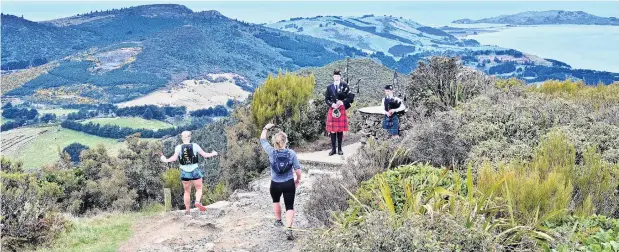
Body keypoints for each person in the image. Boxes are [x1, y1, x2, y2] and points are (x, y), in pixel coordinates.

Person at [158, 131, 218, 215]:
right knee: (199, 188)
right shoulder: (195, 146)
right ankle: (197, 201)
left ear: (182, 138)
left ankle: (187, 210)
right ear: (190, 137)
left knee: (187, 191)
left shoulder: (178, 147)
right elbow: (205, 155)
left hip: (184, 172)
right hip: (195, 170)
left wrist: (164, 159)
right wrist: (214, 153)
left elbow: (174, 159)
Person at [260, 123, 302, 240]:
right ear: (285, 141)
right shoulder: (291, 153)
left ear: (275, 142)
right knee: (289, 206)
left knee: (276, 201)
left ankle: (279, 221)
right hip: (289, 183)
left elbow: (262, 139)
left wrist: (266, 127)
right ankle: (289, 228)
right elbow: (298, 170)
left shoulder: (271, 152)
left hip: (275, 184)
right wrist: (297, 180)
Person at [324, 70, 354, 156]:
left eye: (338, 76)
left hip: (341, 109)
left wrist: (343, 102)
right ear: (333, 77)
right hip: (333, 109)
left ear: (340, 77)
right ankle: (333, 149)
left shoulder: (345, 86)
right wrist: (332, 104)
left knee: (340, 130)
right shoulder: (329, 87)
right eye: (335, 76)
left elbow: (350, 97)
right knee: (332, 130)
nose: (336, 77)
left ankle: (340, 149)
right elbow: (326, 99)